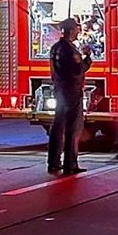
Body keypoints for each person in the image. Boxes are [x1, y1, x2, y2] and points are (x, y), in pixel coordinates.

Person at [47, 18, 92, 175]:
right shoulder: (70, 50)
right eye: (76, 29)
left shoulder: (55, 48)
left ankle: (53, 162)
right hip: (71, 92)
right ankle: (70, 164)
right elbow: (78, 70)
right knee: (73, 128)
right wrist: (87, 58)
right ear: (71, 30)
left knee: (58, 127)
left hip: (59, 90)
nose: (78, 32)